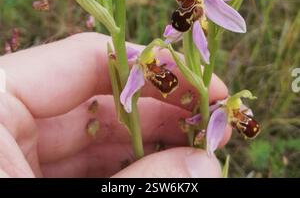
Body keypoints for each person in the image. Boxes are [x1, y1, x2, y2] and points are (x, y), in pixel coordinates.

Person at [0, 32, 231, 178]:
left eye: (154, 64)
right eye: (151, 64)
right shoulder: (138, 71)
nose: (154, 66)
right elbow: (127, 93)